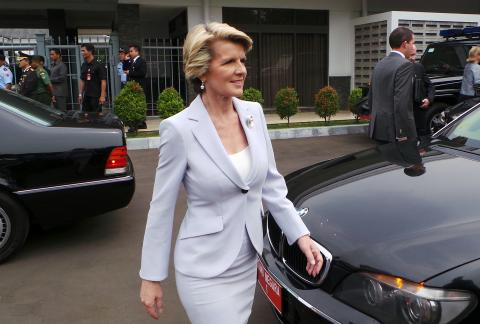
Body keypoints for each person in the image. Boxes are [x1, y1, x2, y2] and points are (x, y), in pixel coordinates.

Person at [139, 22, 323, 324]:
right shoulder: (179, 129)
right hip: (203, 268)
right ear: (202, 71)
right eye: (229, 62)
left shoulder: (253, 113)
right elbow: (161, 207)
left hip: (248, 260)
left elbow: (271, 187)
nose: (242, 70)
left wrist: (299, 235)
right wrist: (151, 277)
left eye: (242, 61)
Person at [368, 27, 417, 144]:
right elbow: (402, 102)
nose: (414, 46)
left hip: (377, 128)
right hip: (394, 130)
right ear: (405, 44)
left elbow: (371, 97)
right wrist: (403, 132)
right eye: (413, 42)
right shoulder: (405, 65)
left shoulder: (380, 64)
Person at [408, 52, 435, 138]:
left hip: (418, 109)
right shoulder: (398, 68)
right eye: (411, 55)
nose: (413, 58)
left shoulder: (418, 67)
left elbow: (430, 86)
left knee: (420, 135)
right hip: (404, 110)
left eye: (414, 55)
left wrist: (429, 99)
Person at [79, 43, 107, 112]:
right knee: (85, 116)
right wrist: (80, 94)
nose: (82, 53)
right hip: (87, 95)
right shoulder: (84, 64)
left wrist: (102, 96)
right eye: (81, 51)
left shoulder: (99, 64)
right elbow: (82, 80)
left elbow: (103, 81)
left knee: (96, 118)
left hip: (96, 96)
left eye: (83, 51)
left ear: (90, 51)